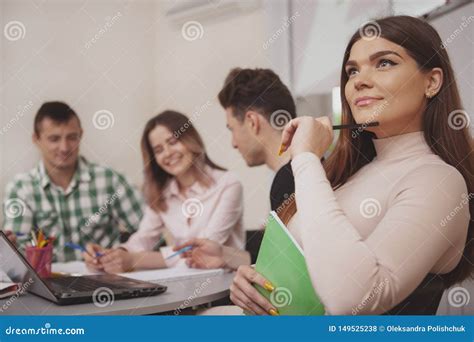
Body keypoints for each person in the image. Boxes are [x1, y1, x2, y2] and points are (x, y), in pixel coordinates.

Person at [230, 15, 472, 315]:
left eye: (384, 63)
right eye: (352, 70)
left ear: (432, 81)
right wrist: (254, 277)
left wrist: (305, 157)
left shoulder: (439, 180)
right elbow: (310, 258)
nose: (359, 80)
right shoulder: (348, 173)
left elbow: (356, 299)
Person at [84, 110, 245, 273]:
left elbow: (202, 251)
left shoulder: (228, 184)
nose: (167, 153)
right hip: (183, 283)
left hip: (224, 288)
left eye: (173, 142)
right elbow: (144, 238)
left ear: (191, 140)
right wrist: (113, 255)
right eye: (159, 150)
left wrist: (134, 260)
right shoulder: (161, 193)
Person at [175, 68, 297, 269]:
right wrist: (225, 255)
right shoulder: (302, 169)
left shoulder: (289, 180)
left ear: (252, 121)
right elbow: (283, 258)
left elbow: (289, 273)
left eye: (232, 129)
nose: (233, 143)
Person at [2, 101, 143, 262]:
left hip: (106, 278)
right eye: (54, 139)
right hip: (47, 280)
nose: (64, 147)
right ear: (36, 139)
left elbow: (150, 236)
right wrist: (9, 250)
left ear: (80, 135)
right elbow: (16, 256)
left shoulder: (110, 179)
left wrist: (122, 254)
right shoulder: (21, 188)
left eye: (72, 137)